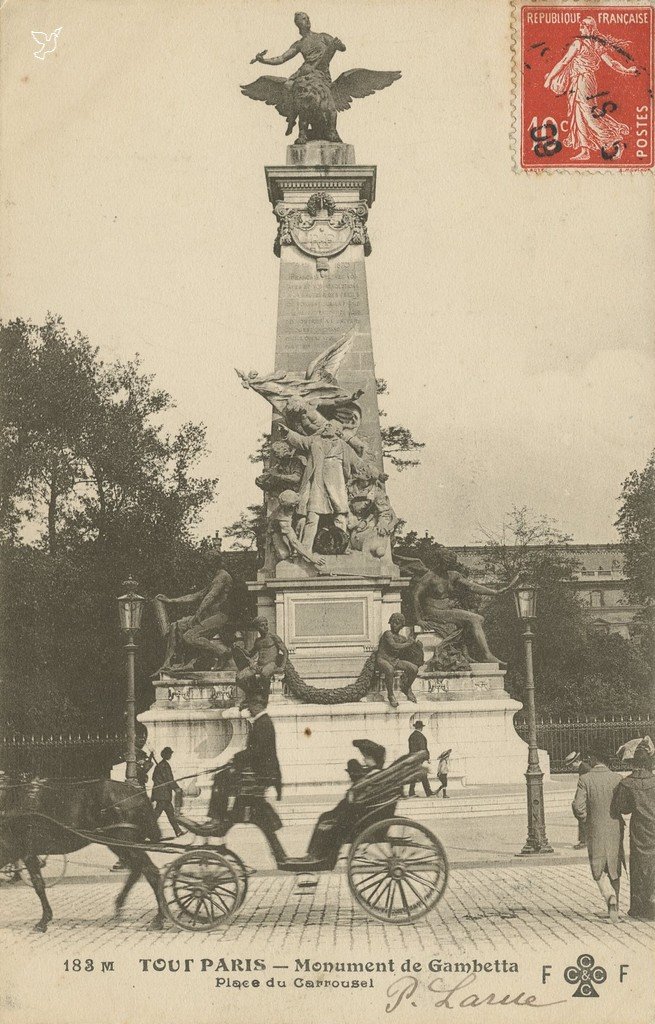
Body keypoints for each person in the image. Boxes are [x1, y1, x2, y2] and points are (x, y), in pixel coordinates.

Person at [544, 16, 637, 161]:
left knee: (587, 113)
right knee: (578, 113)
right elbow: (611, 62)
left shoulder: (580, 43)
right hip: (580, 81)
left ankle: (612, 138)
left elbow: (564, 62)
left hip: (583, 80)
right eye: (581, 24)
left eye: (584, 24)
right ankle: (584, 150)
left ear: (591, 28)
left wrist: (550, 78)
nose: (580, 26)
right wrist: (626, 70)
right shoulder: (594, 44)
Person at [301, 740, 386, 867]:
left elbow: (356, 796)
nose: (364, 760)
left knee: (325, 819)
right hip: (358, 811)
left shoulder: (373, 775)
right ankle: (316, 855)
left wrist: (352, 793)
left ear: (372, 759)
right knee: (326, 817)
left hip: (356, 815)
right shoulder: (375, 773)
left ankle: (316, 856)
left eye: (366, 757)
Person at [572, 750, 623, 921]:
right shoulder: (617, 778)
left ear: (594, 759)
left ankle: (609, 897)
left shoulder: (585, 779)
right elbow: (623, 805)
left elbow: (578, 807)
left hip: (595, 829)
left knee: (598, 867)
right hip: (615, 827)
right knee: (614, 867)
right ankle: (615, 907)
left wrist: (587, 819)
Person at [153, 563, 233, 671]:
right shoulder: (215, 578)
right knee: (176, 626)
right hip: (209, 615)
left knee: (190, 637)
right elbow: (197, 595)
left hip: (219, 616)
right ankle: (175, 662)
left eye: (207, 564)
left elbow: (210, 597)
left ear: (213, 562)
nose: (206, 567)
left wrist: (197, 614)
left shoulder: (222, 576)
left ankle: (223, 653)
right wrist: (171, 600)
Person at [611, 746, 655, 921]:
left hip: (639, 829)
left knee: (638, 865)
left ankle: (639, 906)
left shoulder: (627, 783)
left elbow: (623, 808)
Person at [232, 617, 289, 709]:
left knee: (264, 674)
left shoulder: (273, 637)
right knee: (239, 677)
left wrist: (282, 666)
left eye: (266, 624)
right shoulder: (258, 641)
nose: (265, 627)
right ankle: (253, 695)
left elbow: (285, 651)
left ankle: (264, 699)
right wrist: (239, 648)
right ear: (257, 628)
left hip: (271, 664)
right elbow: (250, 653)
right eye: (262, 625)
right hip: (259, 665)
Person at [375, 613, 423, 707]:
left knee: (414, 668)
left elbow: (409, 646)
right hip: (383, 659)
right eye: (393, 623)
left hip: (394, 660)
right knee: (389, 669)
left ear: (401, 626)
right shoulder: (387, 634)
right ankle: (391, 695)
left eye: (397, 623)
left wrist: (417, 645)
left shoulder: (402, 638)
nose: (394, 625)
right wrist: (409, 643)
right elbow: (395, 646)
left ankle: (406, 687)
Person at [151, 747, 183, 837]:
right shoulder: (164, 765)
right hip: (163, 795)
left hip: (162, 795)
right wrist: (176, 788)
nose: (170, 755)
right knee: (156, 815)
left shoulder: (160, 765)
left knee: (170, 813)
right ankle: (145, 830)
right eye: (169, 754)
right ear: (165, 755)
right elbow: (169, 779)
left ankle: (178, 831)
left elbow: (154, 778)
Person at [565, 751, 592, 848]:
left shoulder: (584, 768)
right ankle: (584, 840)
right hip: (587, 796)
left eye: (572, 764)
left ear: (576, 761)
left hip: (587, 797)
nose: (571, 767)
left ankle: (584, 841)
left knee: (581, 815)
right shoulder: (583, 767)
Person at [407, 721, 433, 797]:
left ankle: (412, 792)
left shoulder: (411, 736)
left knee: (416, 775)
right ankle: (428, 792)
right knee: (423, 774)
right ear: (421, 728)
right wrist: (427, 758)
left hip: (412, 758)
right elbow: (423, 748)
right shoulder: (420, 736)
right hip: (419, 758)